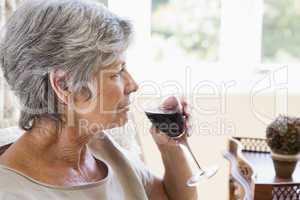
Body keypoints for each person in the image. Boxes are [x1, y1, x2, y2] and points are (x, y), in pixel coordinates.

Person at [0, 0, 197, 199]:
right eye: (117, 72)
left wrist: (169, 147)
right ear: (64, 85)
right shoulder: (11, 192)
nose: (133, 85)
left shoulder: (100, 146)